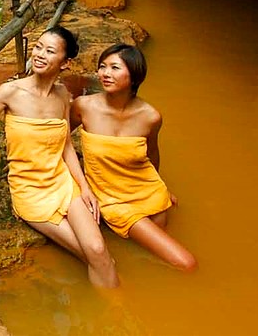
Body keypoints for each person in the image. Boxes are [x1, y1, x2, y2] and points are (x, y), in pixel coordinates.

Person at [0, 26, 120, 288]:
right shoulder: (10, 92)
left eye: (50, 51)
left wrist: (85, 188)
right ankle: (117, 307)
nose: (40, 54)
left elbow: (66, 146)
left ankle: (117, 306)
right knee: (96, 258)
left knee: (98, 251)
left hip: (63, 183)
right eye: (38, 47)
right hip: (30, 190)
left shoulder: (62, 95)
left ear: (65, 63)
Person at [71, 43, 198, 272]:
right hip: (113, 199)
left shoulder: (150, 116)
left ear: (134, 76)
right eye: (102, 66)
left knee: (154, 261)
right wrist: (79, 184)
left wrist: (162, 187)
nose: (105, 73)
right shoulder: (84, 106)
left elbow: (152, 153)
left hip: (149, 193)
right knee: (186, 264)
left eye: (114, 68)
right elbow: (60, 141)